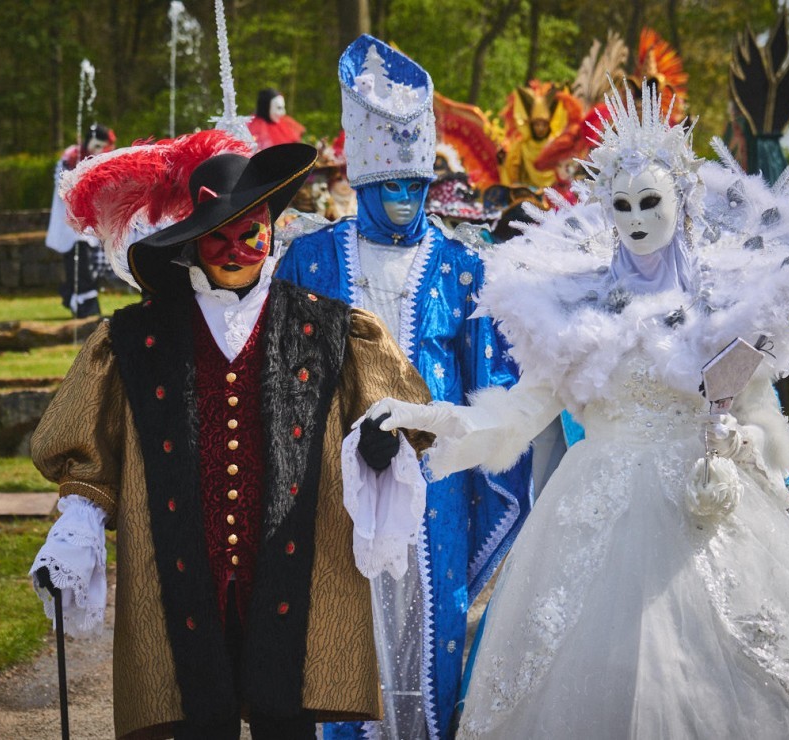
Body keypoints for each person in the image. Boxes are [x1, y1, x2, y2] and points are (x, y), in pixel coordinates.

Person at [366, 85, 789, 738]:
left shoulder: (729, 305)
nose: (635, 218)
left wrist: (737, 442)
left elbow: (764, 422)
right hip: (596, 501)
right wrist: (438, 420)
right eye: (622, 205)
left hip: (704, 507)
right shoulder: (573, 308)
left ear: (680, 201)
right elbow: (523, 410)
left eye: (649, 202)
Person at [28, 130, 434, 739]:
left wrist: (382, 441)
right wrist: (74, 528)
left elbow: (398, 415)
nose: (239, 248)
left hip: (292, 567)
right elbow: (90, 453)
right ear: (192, 245)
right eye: (220, 235)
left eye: (252, 231)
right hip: (184, 568)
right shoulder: (136, 341)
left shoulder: (329, 329)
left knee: (285, 716)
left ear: (272, 230)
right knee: (199, 717)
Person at [278, 35, 532, 740]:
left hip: (438, 486)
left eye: (415, 186)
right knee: (345, 618)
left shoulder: (462, 267)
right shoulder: (307, 259)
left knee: (435, 619)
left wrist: (447, 429)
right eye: (390, 185)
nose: (403, 199)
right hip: (337, 482)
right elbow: (283, 376)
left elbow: (496, 387)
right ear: (362, 182)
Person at [45, 123, 115, 317]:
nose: (98, 149)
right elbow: (63, 186)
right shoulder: (70, 158)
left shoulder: (101, 159)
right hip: (70, 222)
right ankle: (82, 302)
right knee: (78, 261)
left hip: (88, 223)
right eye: (96, 144)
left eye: (102, 146)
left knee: (87, 264)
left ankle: (78, 298)